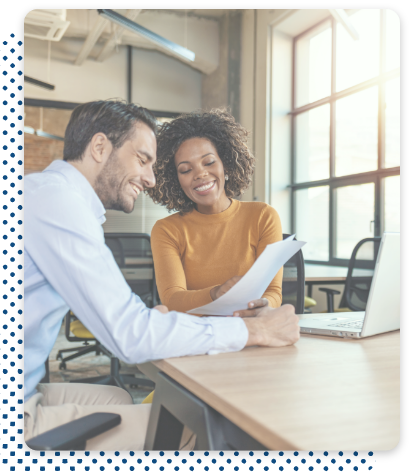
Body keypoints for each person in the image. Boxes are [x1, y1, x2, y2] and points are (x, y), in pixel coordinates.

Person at [24, 100, 300, 451]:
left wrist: (144, 321)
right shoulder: (58, 205)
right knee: (189, 422)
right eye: (142, 160)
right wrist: (253, 329)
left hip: (28, 388)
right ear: (99, 147)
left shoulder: (51, 196)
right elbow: (129, 335)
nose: (151, 178)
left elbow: (125, 324)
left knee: (121, 401)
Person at [147, 109, 282, 317]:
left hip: (250, 329)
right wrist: (215, 294)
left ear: (226, 164)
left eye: (209, 162)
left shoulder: (263, 216)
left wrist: (263, 306)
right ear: (175, 180)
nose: (200, 174)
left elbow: (273, 292)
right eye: (185, 170)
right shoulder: (166, 230)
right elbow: (172, 299)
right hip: (196, 336)